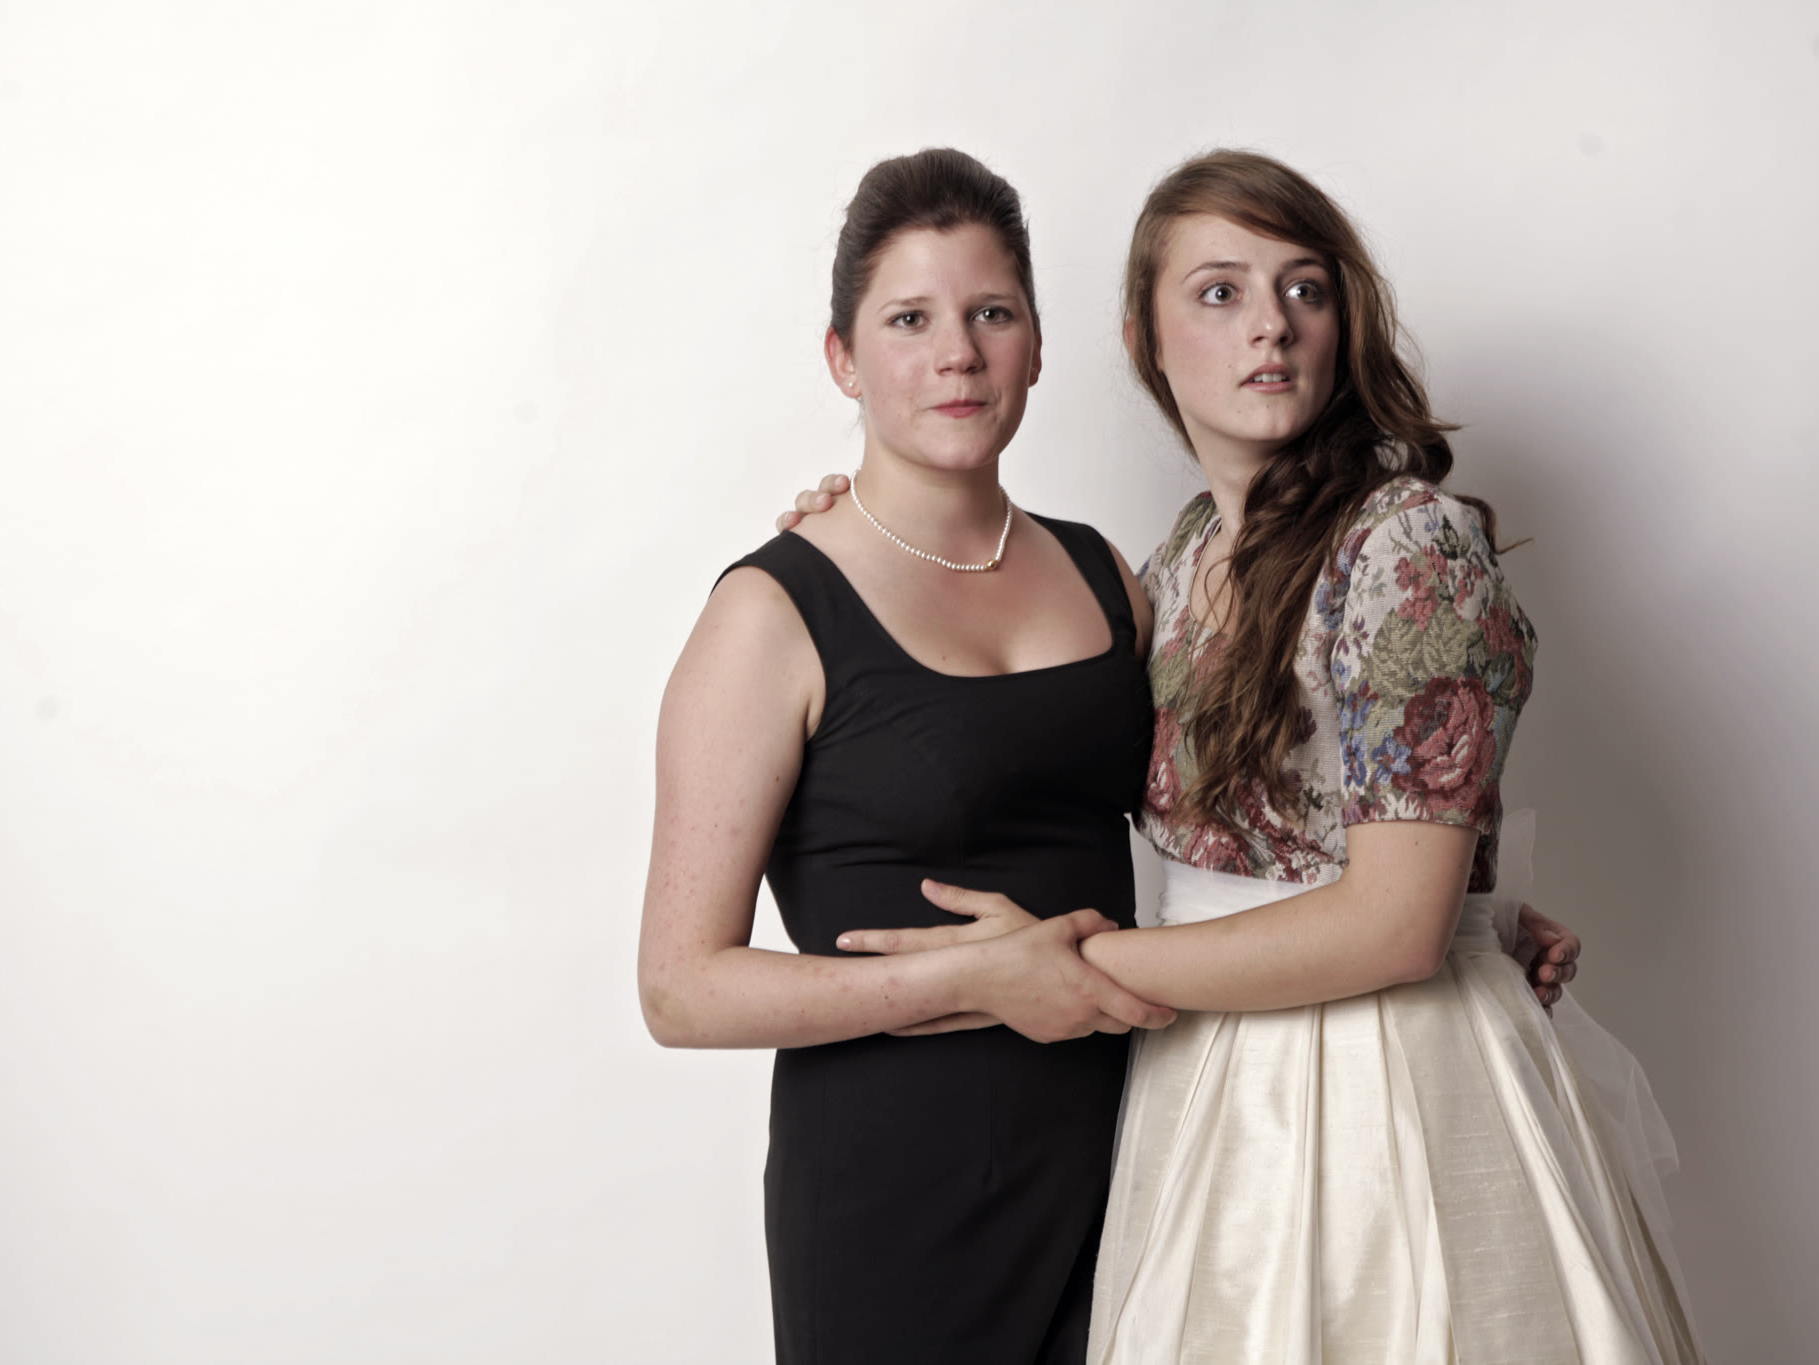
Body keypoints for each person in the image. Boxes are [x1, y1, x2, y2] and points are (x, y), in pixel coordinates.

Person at [811, 150, 1701, 1361]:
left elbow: (1393, 927)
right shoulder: (1169, 568)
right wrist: (856, 528)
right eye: (1219, 292)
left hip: (1388, 1080)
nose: (1269, 326)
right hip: (1203, 1084)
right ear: (1143, 339)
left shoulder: (1408, 545)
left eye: (1302, 289)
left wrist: (1072, 966)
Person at [638, 148, 1177, 1364]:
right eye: (908, 320)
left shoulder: (1109, 578)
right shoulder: (770, 615)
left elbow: (1233, 823)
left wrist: (1472, 917)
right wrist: (972, 982)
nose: (957, 355)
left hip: (1126, 1157)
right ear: (843, 358)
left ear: (1035, 345)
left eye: (991, 313)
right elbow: (677, 988)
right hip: (894, 1198)